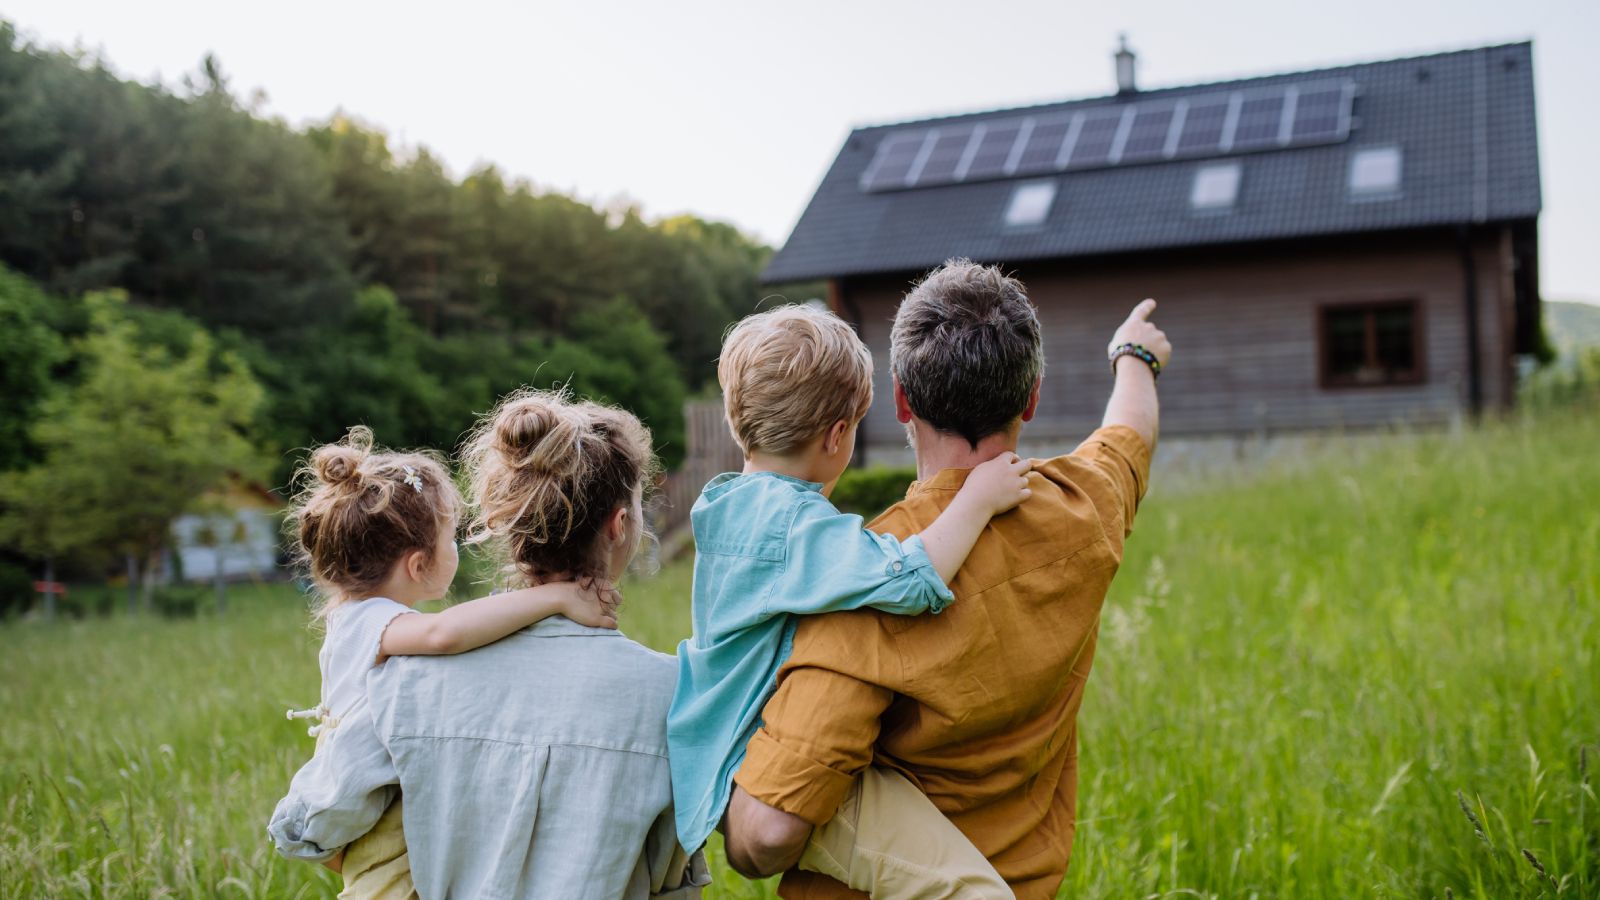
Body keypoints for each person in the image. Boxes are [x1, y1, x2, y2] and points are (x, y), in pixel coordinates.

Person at [723, 260, 1172, 899]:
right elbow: (1129, 435)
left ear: (902, 399)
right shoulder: (1084, 507)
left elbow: (766, 834)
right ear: (1032, 395)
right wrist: (1134, 355)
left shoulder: (862, 577)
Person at [269, 391, 709, 898]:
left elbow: (312, 826)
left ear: (506, 524)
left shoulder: (402, 683)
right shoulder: (676, 695)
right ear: (620, 525)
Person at [670, 304, 1031, 898]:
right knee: (972, 890)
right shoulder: (795, 528)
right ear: (839, 436)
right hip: (765, 772)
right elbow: (910, 580)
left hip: (726, 765)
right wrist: (979, 499)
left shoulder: (722, 505)